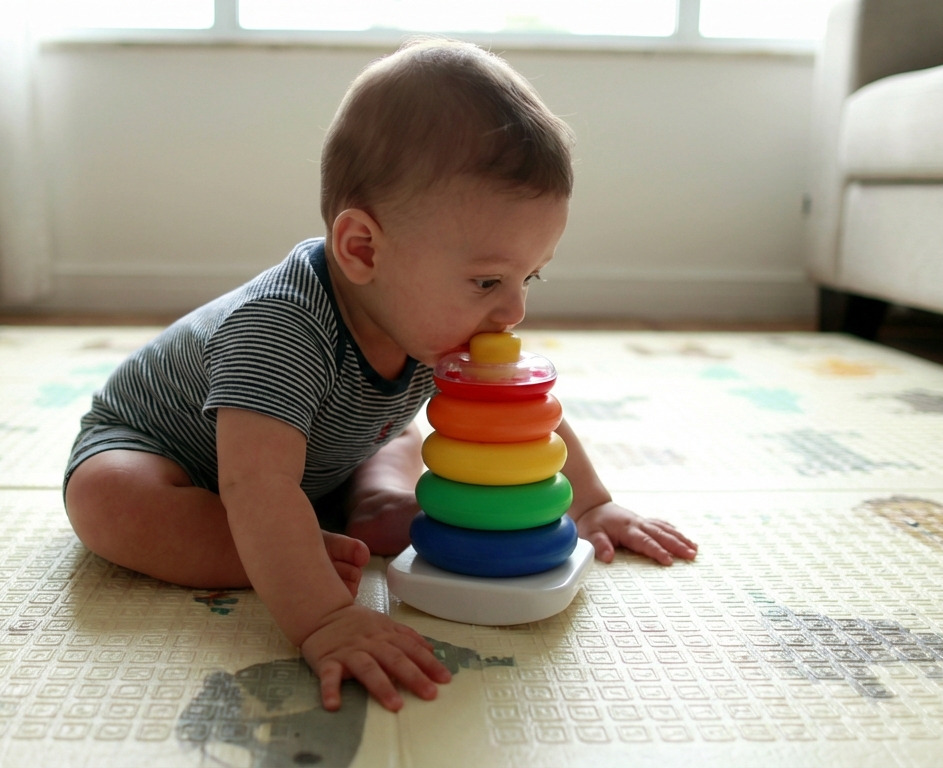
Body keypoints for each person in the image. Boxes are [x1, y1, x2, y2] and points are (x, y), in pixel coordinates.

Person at [63, 38, 697, 715]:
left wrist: (591, 502)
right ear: (362, 248)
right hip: (176, 457)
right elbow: (255, 480)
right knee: (107, 497)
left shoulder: (428, 318)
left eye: (528, 276)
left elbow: (526, 419)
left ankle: (366, 505)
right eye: (488, 279)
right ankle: (269, 545)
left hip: (318, 452)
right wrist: (325, 617)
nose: (513, 308)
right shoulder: (281, 328)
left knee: (398, 437)